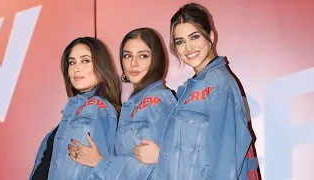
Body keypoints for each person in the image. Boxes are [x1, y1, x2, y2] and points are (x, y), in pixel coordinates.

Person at [135, 3, 260, 180]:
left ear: (211, 36)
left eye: (194, 37)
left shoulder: (218, 84)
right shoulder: (192, 88)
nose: (188, 48)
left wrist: (161, 156)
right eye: (180, 42)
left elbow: (225, 162)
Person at [68, 28, 177, 180]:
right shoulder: (132, 104)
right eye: (127, 56)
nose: (133, 63)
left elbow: (160, 168)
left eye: (143, 56)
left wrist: (99, 162)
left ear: (156, 59)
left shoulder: (160, 101)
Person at [29, 37, 121, 180]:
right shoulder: (77, 110)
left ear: (101, 66)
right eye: (72, 62)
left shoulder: (95, 107)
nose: (76, 68)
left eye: (85, 60)